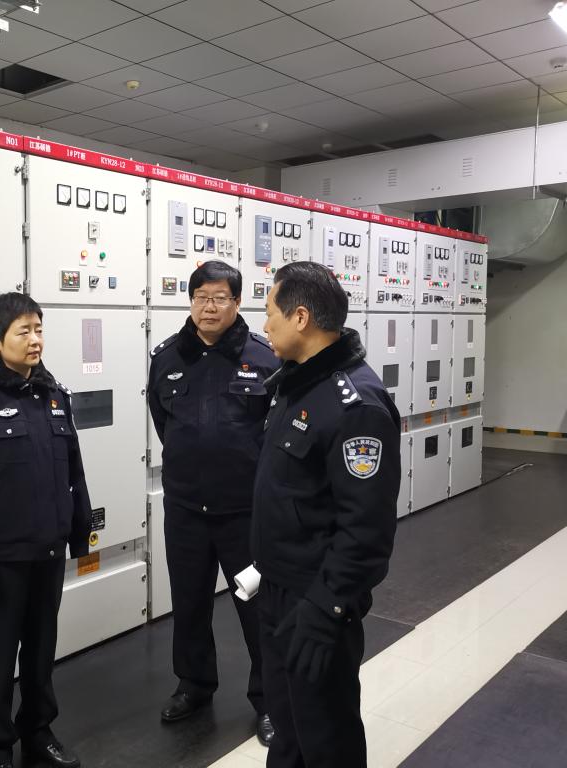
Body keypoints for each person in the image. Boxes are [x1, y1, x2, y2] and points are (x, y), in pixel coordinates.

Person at [252, 261, 400, 768]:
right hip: (277, 592)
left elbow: (366, 531)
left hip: (316, 603)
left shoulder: (356, 405)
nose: (264, 325)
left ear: (299, 318)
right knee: (287, 734)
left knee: (326, 739)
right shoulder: (297, 385)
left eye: (269, 312)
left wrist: (326, 609)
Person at [0, 292, 92, 768]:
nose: (35, 340)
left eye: (39, 330)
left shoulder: (55, 395)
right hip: (1, 557)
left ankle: (38, 732)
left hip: (48, 549)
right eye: (23, 331)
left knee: (41, 651)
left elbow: (73, 469)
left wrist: (80, 529)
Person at [147, 260, 279, 745]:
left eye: (220, 297)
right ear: (190, 300)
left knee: (257, 607)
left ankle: (269, 699)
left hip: (244, 511)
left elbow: (276, 430)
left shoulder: (263, 358)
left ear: (237, 302)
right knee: (189, 603)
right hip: (186, 508)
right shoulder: (166, 357)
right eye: (201, 297)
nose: (209, 306)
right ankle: (194, 685)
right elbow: (163, 421)